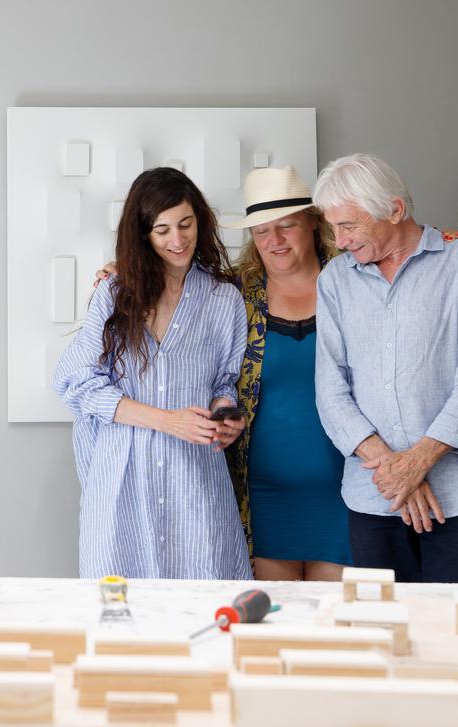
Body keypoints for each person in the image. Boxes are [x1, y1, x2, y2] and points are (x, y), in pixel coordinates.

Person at [313, 153, 458, 583]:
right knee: (385, 638)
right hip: (373, 500)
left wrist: (418, 461)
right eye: (333, 228)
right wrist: (393, 469)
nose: (339, 240)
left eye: (348, 226)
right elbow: (331, 389)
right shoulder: (333, 281)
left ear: (396, 210)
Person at [52, 167, 251, 580]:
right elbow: (75, 383)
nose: (177, 241)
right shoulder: (113, 292)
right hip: (122, 479)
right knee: (118, 619)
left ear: (201, 220)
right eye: (162, 230)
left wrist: (225, 417)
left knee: (204, 612)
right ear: (142, 233)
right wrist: (167, 421)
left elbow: (222, 384)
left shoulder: (223, 299)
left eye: (186, 224)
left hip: (194, 479)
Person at [222, 166, 351, 581]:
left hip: (347, 494)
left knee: (340, 635)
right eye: (261, 231)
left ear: (313, 224)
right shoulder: (230, 296)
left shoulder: (356, 283)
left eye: (286, 226)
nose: (274, 241)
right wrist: (117, 270)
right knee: (275, 633)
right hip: (263, 497)